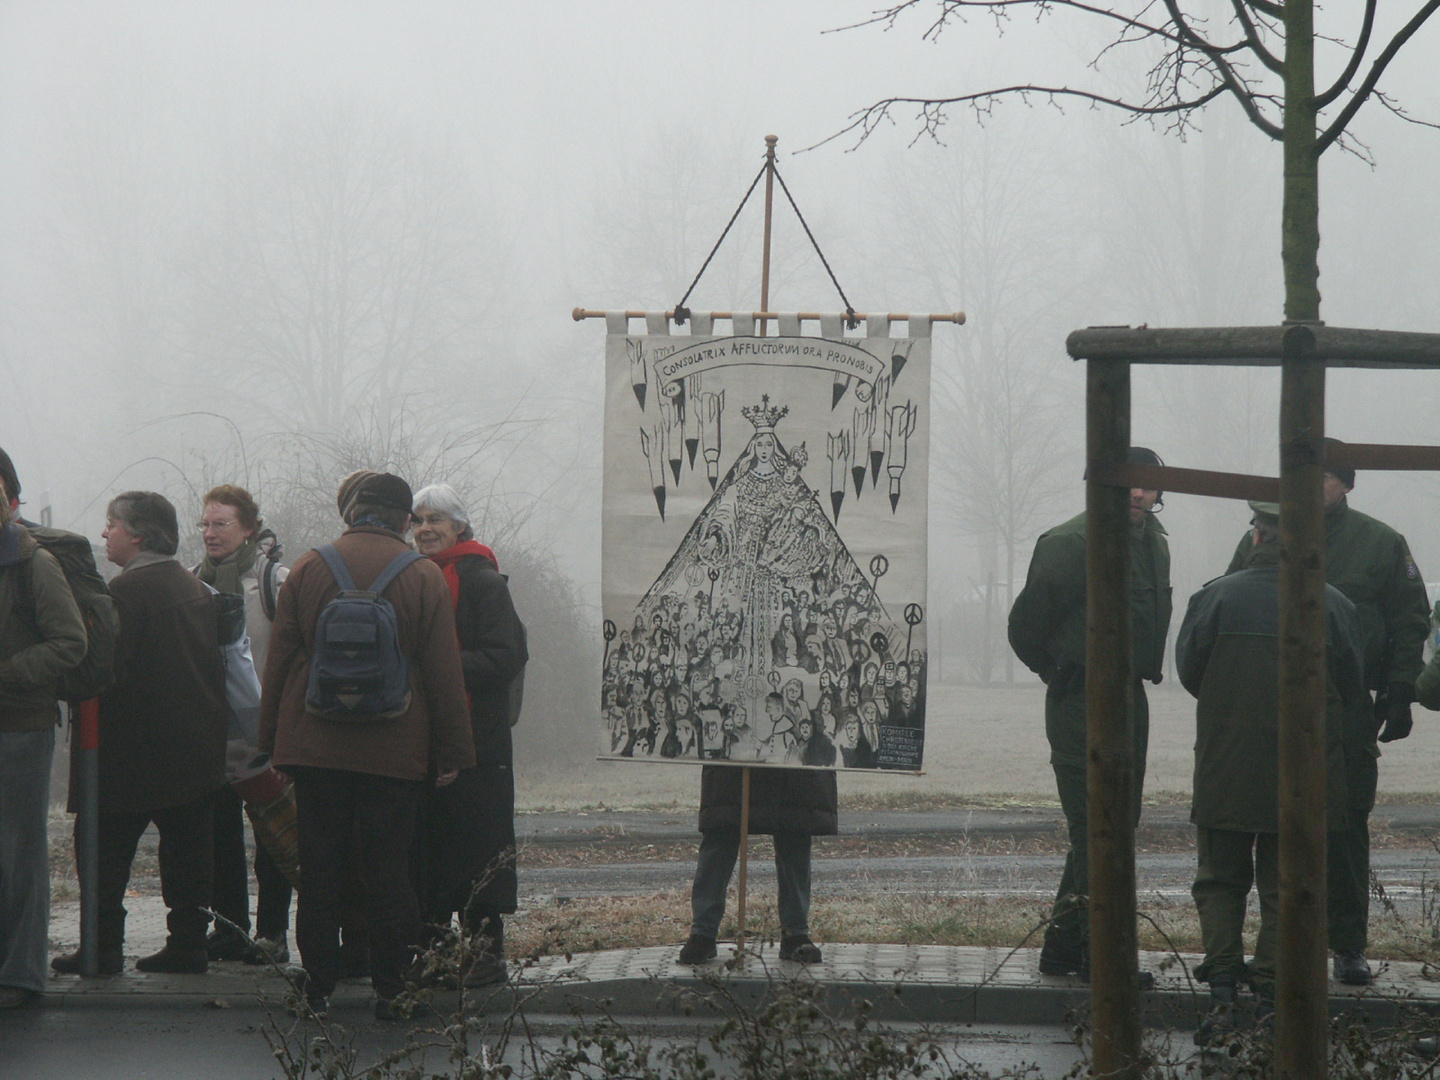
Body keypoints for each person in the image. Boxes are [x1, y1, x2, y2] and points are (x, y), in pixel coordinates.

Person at [258, 471, 474, 1019]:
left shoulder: (307, 567)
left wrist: (272, 746)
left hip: (314, 748)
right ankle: (393, 990)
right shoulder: (422, 575)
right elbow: (444, 674)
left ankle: (317, 990)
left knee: (320, 868)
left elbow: (279, 663)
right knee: (389, 872)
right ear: (404, 519)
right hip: (394, 753)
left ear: (351, 512)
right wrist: (452, 753)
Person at [1222, 438, 1429, 986]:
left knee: (1344, 825)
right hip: (1270, 708)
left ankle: (1347, 944)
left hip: (1346, 709)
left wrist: (1399, 690)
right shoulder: (1262, 538)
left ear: (1346, 484)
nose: (1312, 488)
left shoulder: (1380, 543)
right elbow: (1228, 601)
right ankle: (1272, 950)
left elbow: (1411, 619)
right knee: (1264, 826)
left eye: (1324, 478)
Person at [1177, 502, 1367, 1043]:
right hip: (1304, 771)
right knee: (1289, 884)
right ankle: (1270, 997)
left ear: (1256, 537)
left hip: (1226, 763)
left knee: (1219, 878)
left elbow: (1191, 671)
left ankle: (1220, 989)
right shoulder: (1332, 604)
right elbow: (1352, 687)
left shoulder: (1215, 596)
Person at [1008, 446, 1171, 980]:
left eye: (1149, 485)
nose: (1140, 494)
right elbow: (1025, 625)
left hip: (1129, 697)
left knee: (1116, 823)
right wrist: (1056, 666)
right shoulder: (1069, 543)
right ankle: (1103, 956)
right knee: (1096, 825)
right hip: (1081, 699)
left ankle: (1064, 947)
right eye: (1131, 484)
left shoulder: (1154, 544)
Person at [53, 492, 231, 976]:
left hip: (127, 752)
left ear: (137, 534)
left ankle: (103, 947)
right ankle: (189, 944)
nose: (105, 533)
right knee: (189, 857)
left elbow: (103, 671)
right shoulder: (191, 584)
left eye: (111, 524)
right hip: (193, 749)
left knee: (102, 853)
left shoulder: (127, 593)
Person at [410, 482, 527, 988]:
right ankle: (435, 956)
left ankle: (485, 957)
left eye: (436, 519)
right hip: (428, 739)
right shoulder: (417, 579)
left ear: (460, 526)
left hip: (480, 743)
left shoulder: (482, 582)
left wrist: (436, 666)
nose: (425, 529)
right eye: (417, 519)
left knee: (478, 852)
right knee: (433, 854)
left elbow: (506, 657)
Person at [191, 485, 293, 965]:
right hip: (213, 734)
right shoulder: (192, 582)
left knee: (274, 836)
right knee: (218, 836)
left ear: (249, 528)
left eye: (221, 524)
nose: (210, 533)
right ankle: (230, 929)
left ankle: (273, 934)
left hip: (267, 731)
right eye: (205, 525)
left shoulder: (276, 581)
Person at [0, 455, 86, 1008]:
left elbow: (70, 643)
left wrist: (6, 674)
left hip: (19, 729)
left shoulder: (33, 563)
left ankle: (19, 974)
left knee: (16, 852)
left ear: (11, 497)